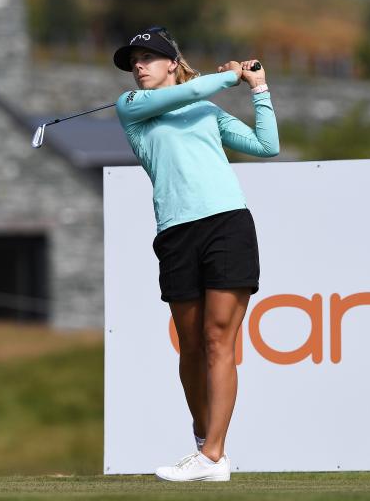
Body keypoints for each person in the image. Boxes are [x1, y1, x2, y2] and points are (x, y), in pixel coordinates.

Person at [113, 26, 279, 482]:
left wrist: (259, 89)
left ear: (171, 62)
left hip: (227, 224)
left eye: (147, 58)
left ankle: (212, 455)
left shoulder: (205, 109)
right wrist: (228, 78)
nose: (138, 67)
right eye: (133, 62)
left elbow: (268, 146)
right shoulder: (131, 108)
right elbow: (191, 91)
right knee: (189, 349)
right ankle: (206, 441)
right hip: (176, 234)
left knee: (216, 339)